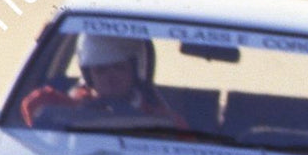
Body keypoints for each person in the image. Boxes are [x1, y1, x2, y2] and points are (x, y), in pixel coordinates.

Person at [21, 33, 187, 129]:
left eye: (118, 68)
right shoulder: (70, 104)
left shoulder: (162, 119)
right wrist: (80, 107)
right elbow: (32, 104)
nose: (111, 77)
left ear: (135, 70)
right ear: (88, 75)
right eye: (101, 70)